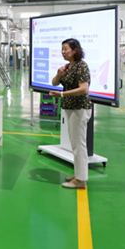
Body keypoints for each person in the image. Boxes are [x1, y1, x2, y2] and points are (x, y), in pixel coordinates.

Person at [49, 38, 93, 189]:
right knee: (75, 143)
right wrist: (59, 74)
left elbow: (84, 89)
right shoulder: (68, 67)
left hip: (79, 108)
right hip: (70, 108)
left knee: (79, 144)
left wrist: (62, 94)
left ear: (75, 50)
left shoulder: (81, 66)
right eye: (62, 49)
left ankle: (80, 180)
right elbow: (54, 83)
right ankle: (79, 173)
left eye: (66, 49)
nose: (63, 52)